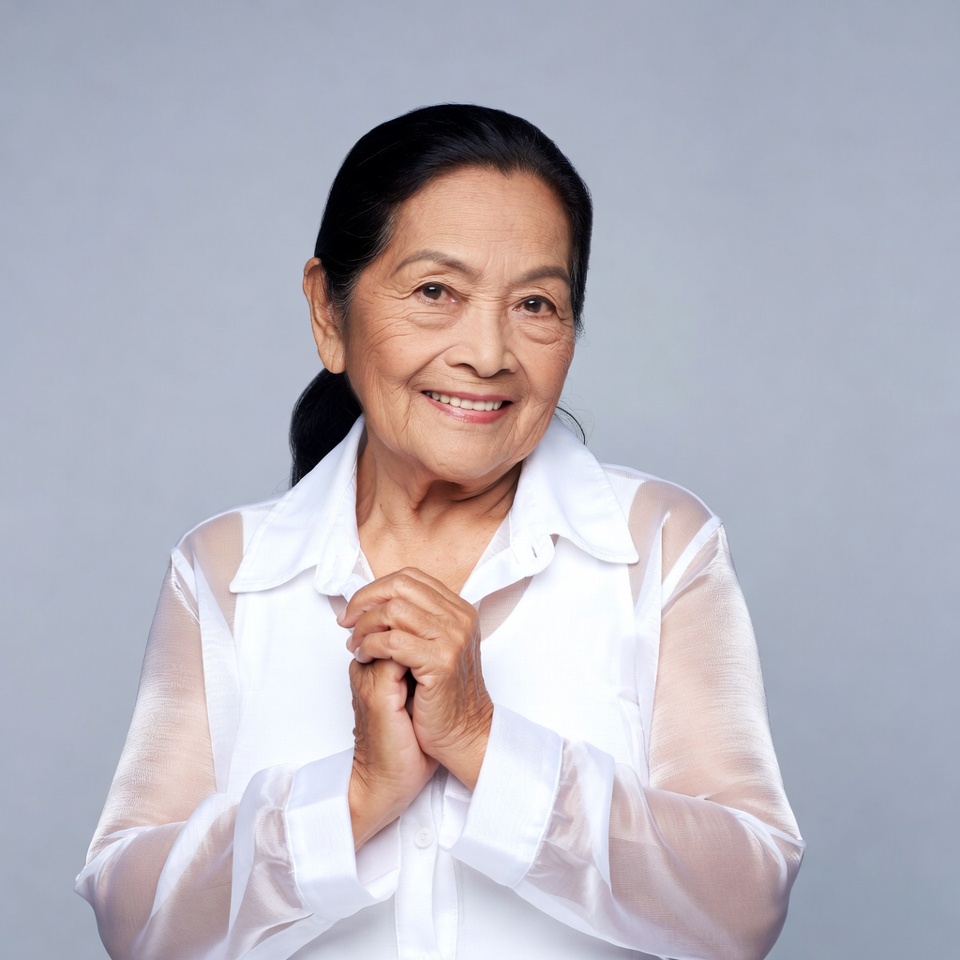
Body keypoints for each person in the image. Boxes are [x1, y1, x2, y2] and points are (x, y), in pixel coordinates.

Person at [76, 104, 803, 960]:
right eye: (435, 292)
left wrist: (485, 745)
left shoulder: (660, 546)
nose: (489, 352)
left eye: (536, 302)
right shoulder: (226, 570)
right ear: (328, 312)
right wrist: (354, 799)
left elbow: (745, 905)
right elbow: (135, 921)